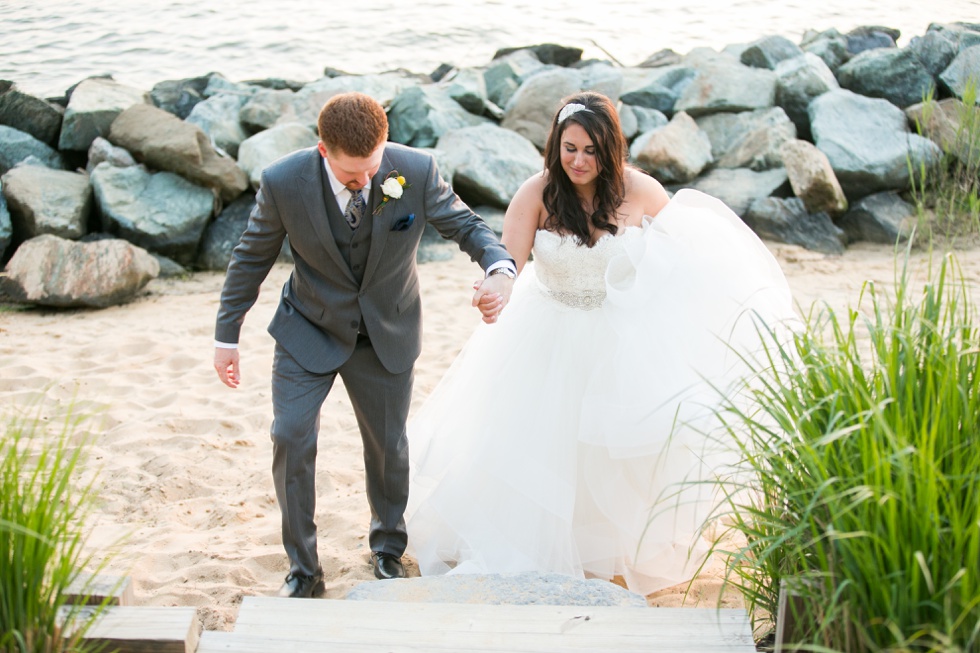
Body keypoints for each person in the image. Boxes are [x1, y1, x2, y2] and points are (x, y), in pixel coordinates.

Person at [405, 91, 797, 595]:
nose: (578, 161)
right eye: (569, 148)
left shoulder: (643, 192)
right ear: (555, 145)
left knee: (615, 454)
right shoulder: (537, 193)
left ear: (611, 150)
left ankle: (609, 554)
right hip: (549, 331)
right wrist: (493, 286)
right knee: (545, 446)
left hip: (620, 335)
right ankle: (552, 547)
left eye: (591, 151)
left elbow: (684, 260)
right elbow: (508, 261)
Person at [213, 92, 516, 598]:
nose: (365, 182)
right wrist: (227, 335)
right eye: (352, 175)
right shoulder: (283, 182)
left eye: (372, 169)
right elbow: (251, 258)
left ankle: (387, 548)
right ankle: (303, 570)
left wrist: (499, 267)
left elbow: (465, 225)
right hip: (307, 327)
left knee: (387, 447)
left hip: (386, 331)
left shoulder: (413, 171)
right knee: (290, 436)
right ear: (322, 150)